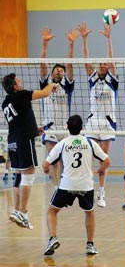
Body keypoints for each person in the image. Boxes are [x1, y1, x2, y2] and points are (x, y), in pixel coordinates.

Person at [42, 115, 110, 256]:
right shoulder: (90, 142)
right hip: (86, 185)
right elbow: (107, 161)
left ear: (67, 127)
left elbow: (46, 164)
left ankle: (53, 238)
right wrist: (100, 170)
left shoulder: (63, 143)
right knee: (89, 212)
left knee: (51, 211)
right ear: (82, 128)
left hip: (67, 184)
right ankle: (90, 245)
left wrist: (46, 170)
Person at [1, 72, 57, 229]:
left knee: (19, 176)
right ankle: (23, 212)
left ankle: (17, 211)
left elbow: (20, 120)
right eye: (19, 80)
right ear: (15, 86)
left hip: (13, 141)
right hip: (23, 140)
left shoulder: (6, 102)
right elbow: (45, 93)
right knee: (29, 177)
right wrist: (52, 84)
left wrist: (34, 129)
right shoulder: (21, 95)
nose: (22, 81)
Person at [77, 22, 118, 208]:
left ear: (107, 67)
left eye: (104, 64)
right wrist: (84, 39)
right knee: (89, 159)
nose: (102, 65)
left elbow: (111, 58)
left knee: (104, 160)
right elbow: (86, 61)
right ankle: (89, 189)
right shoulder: (93, 79)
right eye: (100, 64)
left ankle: (101, 193)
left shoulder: (112, 80)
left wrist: (108, 38)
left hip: (108, 124)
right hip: (93, 122)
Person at [40, 27, 79, 189]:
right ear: (52, 72)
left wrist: (71, 45)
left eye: (61, 70)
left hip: (64, 127)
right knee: (54, 159)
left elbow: (69, 65)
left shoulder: (67, 85)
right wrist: (44, 44)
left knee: (65, 160)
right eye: (57, 69)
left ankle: (65, 185)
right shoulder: (45, 83)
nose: (59, 70)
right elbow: (42, 64)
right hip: (50, 127)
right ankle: (57, 188)